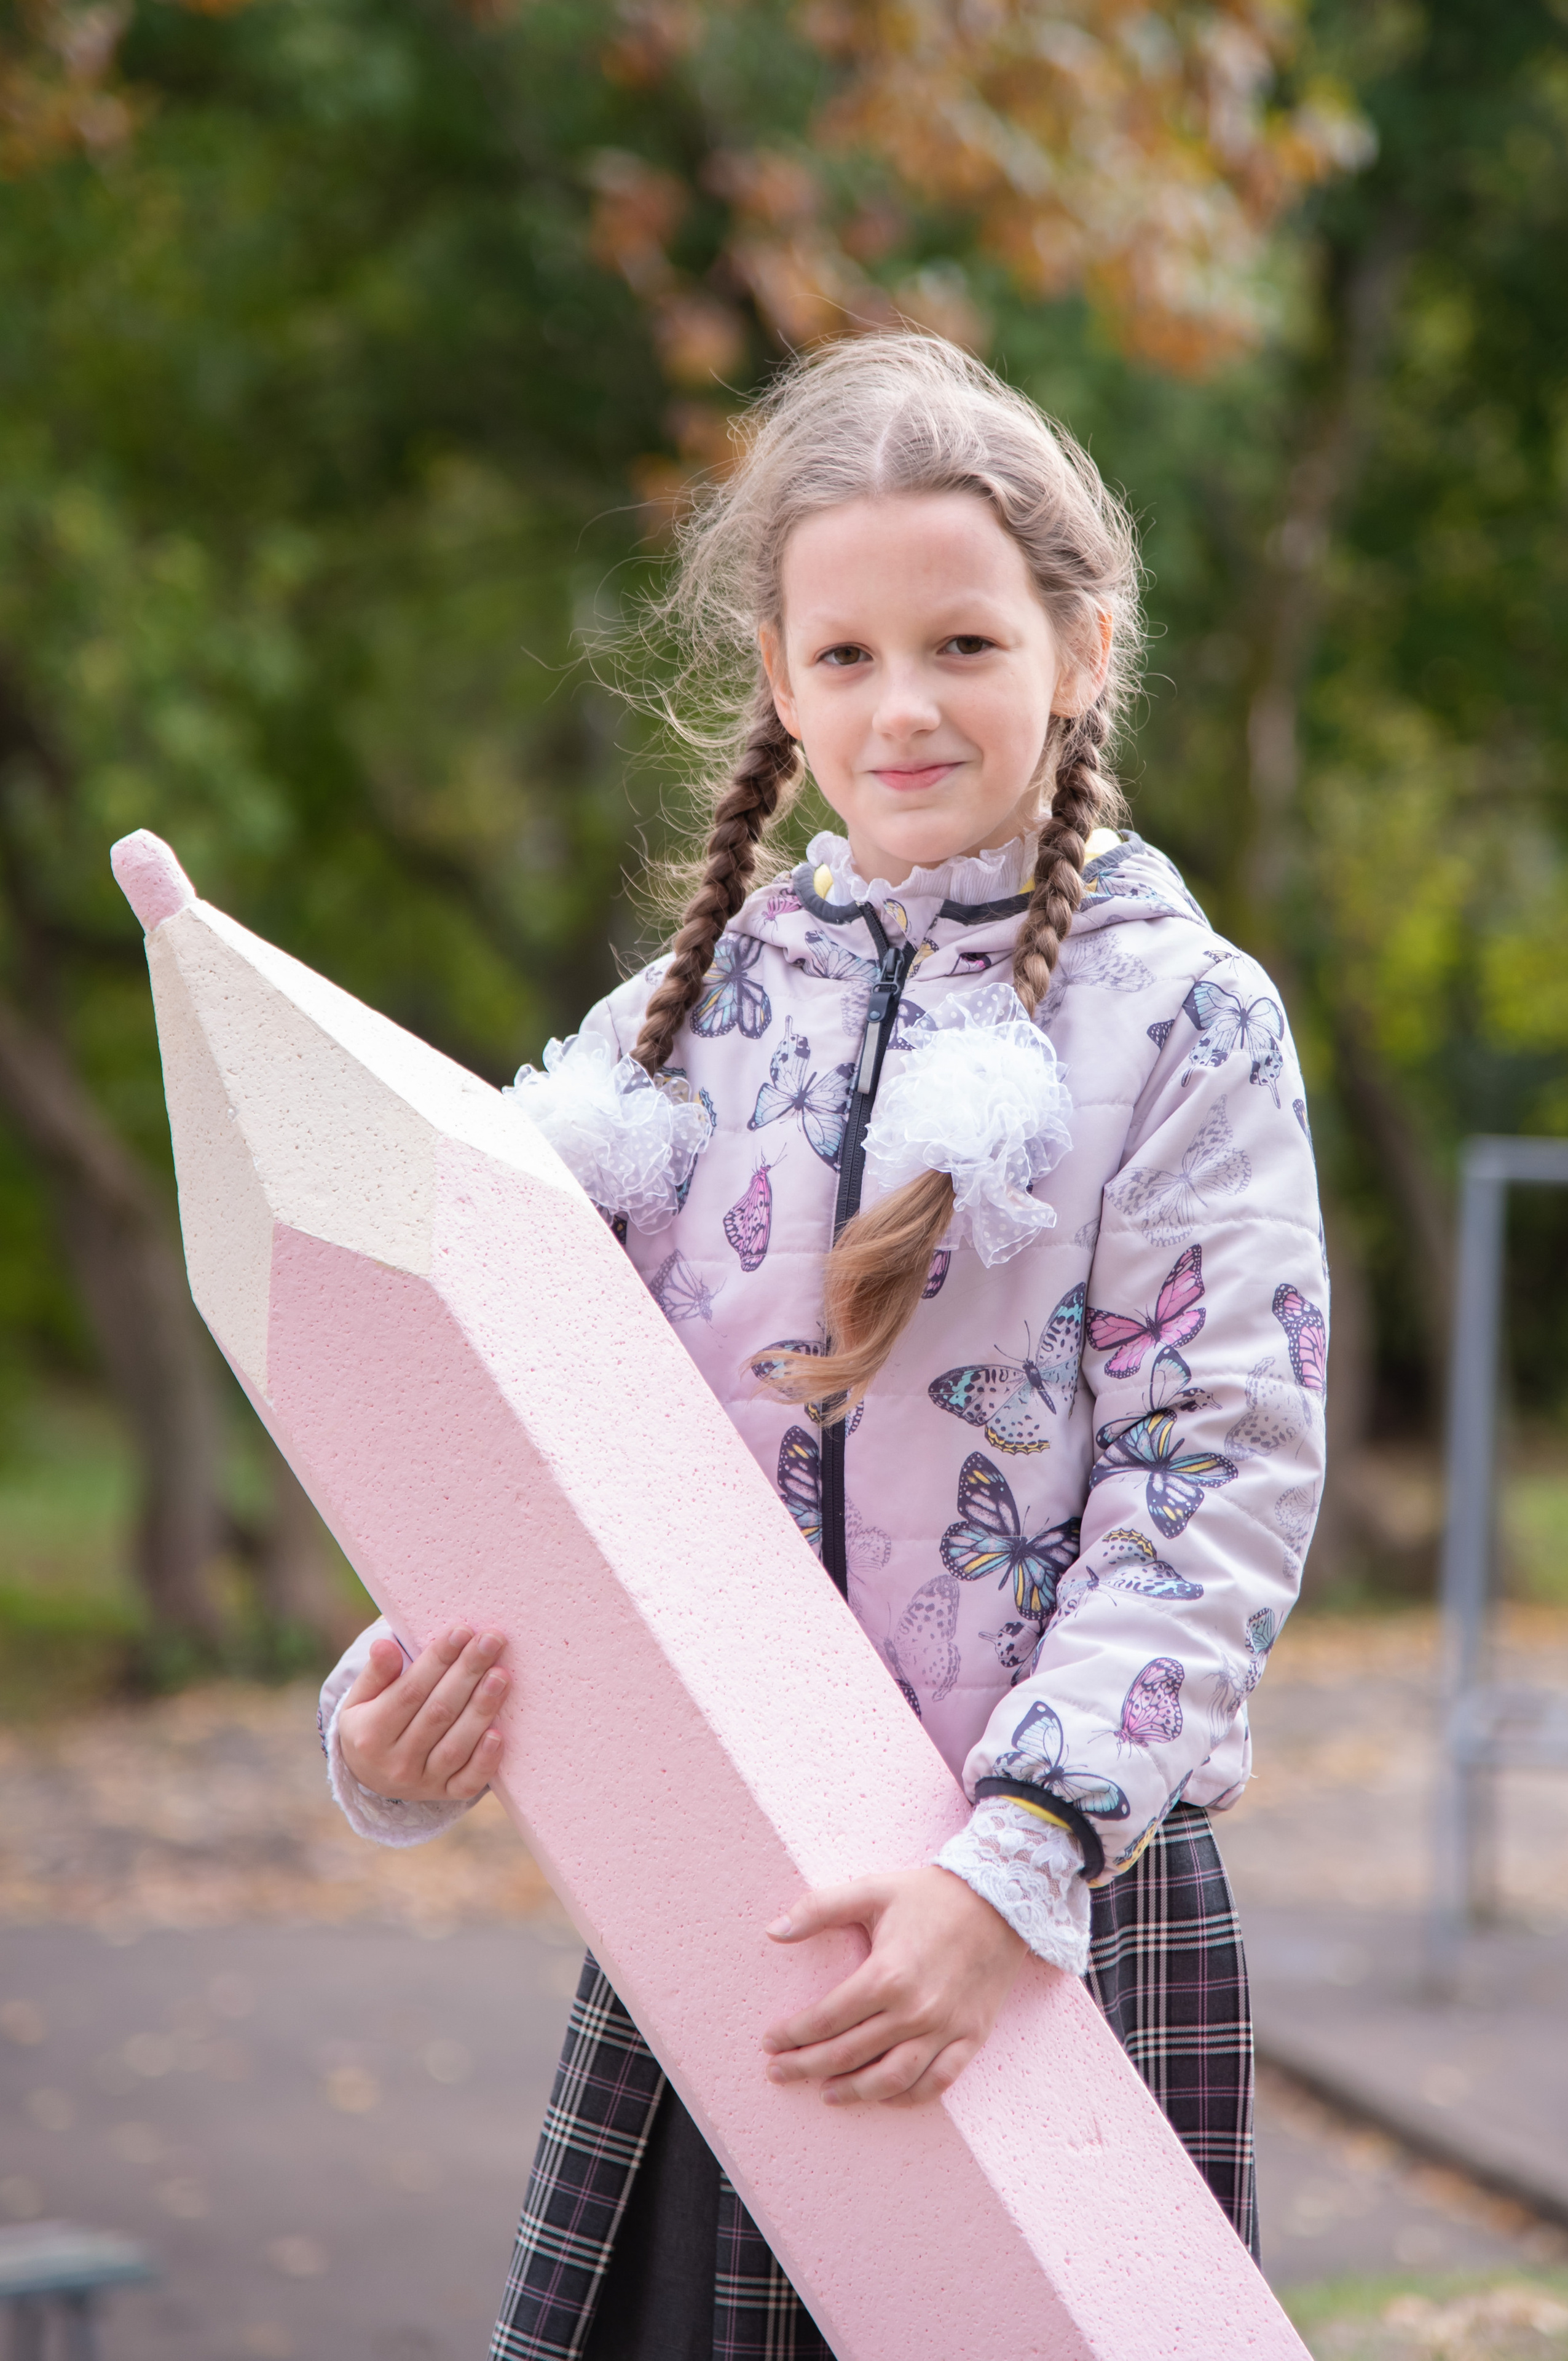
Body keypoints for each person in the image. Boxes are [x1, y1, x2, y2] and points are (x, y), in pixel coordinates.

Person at [318, 332, 1326, 2360]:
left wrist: (1011, 1871)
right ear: (778, 681)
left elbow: (1206, 1497)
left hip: (1051, 1921)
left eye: (963, 642)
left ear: (1082, 645)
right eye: (847, 658)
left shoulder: (1187, 1025)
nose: (908, 706)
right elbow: (529, 1430)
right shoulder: (674, 1039)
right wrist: (393, 1697)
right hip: (731, 1911)